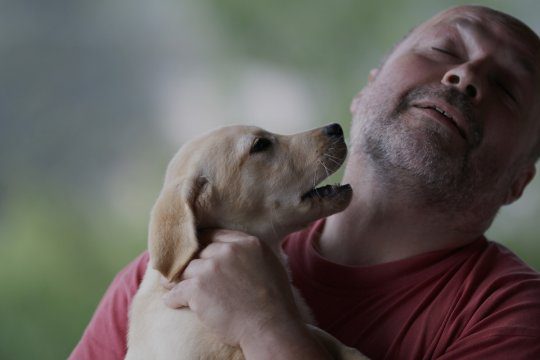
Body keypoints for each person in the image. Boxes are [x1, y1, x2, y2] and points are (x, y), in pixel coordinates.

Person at [70, 5, 540, 359]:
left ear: (521, 180)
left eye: (507, 88)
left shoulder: (510, 316)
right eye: (444, 50)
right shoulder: (165, 276)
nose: (465, 75)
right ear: (367, 88)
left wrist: (267, 328)